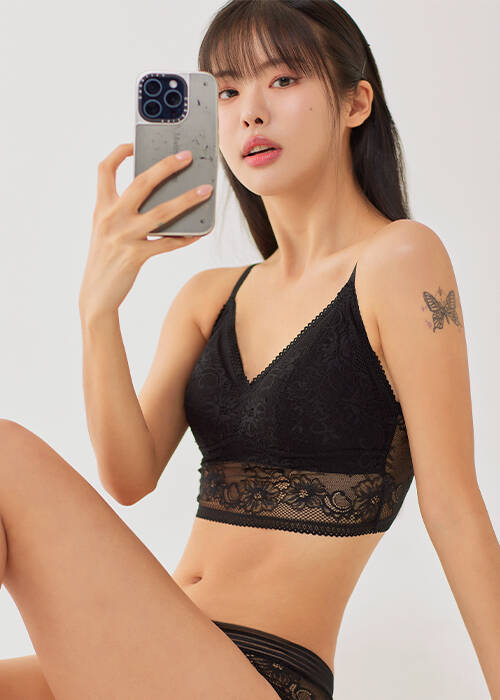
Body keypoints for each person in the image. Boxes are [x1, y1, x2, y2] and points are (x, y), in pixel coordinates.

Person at [1, 1, 499, 698]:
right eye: (228, 92)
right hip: (156, 655)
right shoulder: (209, 297)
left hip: (263, 674)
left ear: (356, 103)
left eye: (283, 80)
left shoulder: (399, 259)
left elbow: (454, 507)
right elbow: (129, 475)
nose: (250, 114)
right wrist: (97, 310)